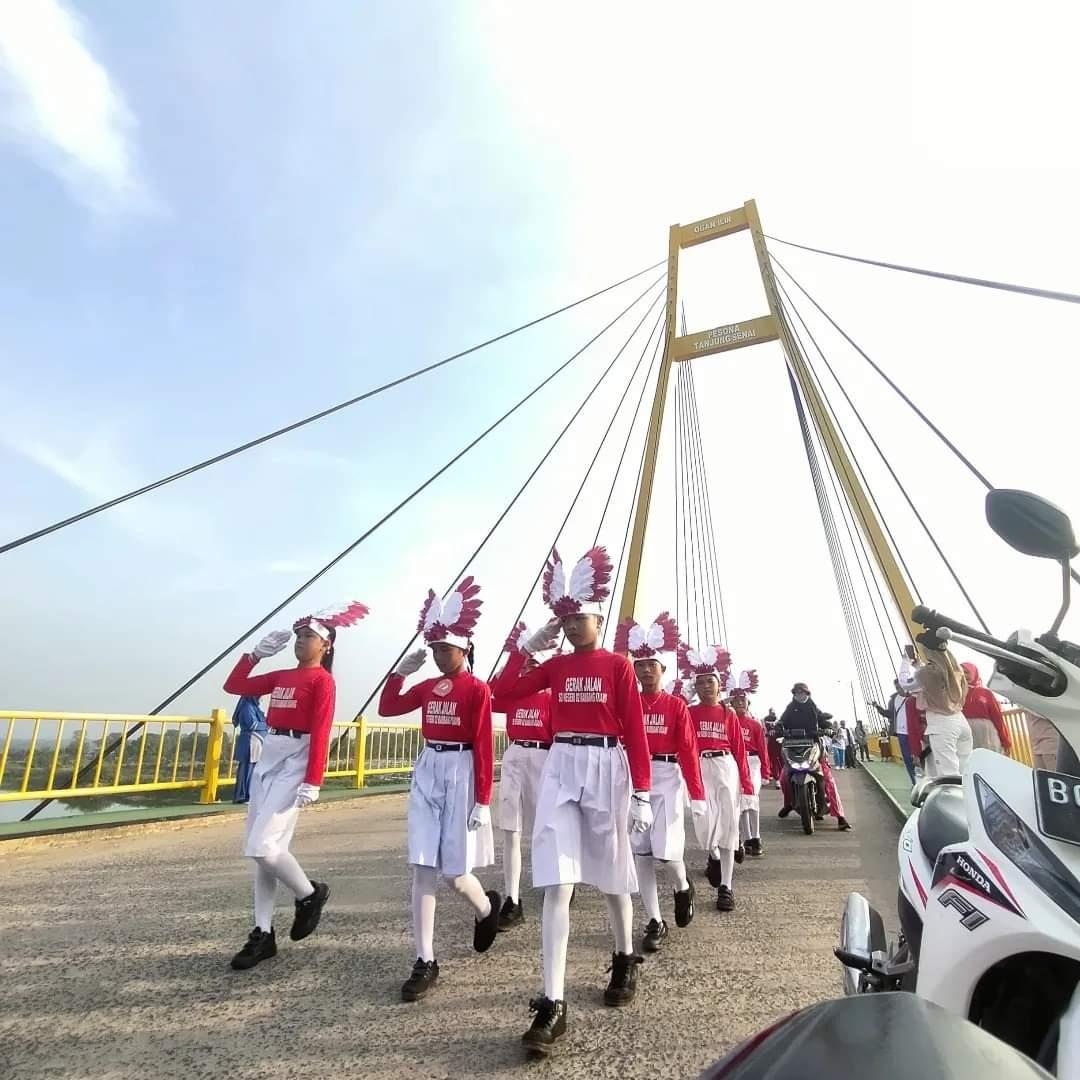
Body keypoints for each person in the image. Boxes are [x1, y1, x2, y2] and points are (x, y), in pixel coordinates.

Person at [491, 546, 651, 1054]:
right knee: (557, 883)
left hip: (607, 766)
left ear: (597, 618)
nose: (573, 625)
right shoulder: (556, 666)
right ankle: (552, 1001)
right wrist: (526, 649)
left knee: (611, 875)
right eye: (565, 619)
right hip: (562, 765)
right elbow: (501, 694)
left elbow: (636, 731)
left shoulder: (618, 666)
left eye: (580, 617)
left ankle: (624, 956)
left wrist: (643, 792)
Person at [223, 601, 368, 971]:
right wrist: (254, 655)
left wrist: (313, 779)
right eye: (299, 636)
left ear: (327, 645)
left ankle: (309, 893)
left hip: (297, 757)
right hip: (270, 754)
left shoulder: (323, 681)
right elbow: (235, 685)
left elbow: (321, 730)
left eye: (310, 637)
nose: (301, 641)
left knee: (261, 846)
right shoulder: (282, 676)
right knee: (263, 854)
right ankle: (262, 932)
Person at [378, 577, 500, 1003]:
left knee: (455, 874)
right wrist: (398, 674)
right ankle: (424, 959)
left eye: (444, 649)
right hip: (430, 764)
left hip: (462, 768)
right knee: (422, 867)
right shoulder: (429, 687)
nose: (437, 656)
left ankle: (487, 910)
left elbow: (484, 745)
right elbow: (387, 707)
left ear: (464, 649)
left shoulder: (477, 689)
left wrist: (483, 799)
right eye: (433, 650)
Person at [615, 612, 706, 952]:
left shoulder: (675, 706)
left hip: (667, 778)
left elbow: (688, 749)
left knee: (667, 854)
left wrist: (696, 793)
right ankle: (654, 920)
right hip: (635, 781)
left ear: (663, 669)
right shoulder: (629, 704)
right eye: (640, 665)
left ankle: (682, 888)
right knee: (641, 854)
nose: (646, 670)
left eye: (652, 664)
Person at [490, 622, 555, 931]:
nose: (529, 669)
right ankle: (512, 900)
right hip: (515, 754)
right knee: (510, 830)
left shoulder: (554, 697)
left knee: (546, 828)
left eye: (534, 664)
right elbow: (492, 691)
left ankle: (557, 882)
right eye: (527, 664)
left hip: (545, 757)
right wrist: (515, 655)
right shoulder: (513, 694)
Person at [680, 643, 753, 912]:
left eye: (711, 682)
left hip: (725, 766)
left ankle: (726, 887)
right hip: (699, 768)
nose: (707, 687)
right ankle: (712, 855)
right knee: (704, 824)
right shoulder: (689, 713)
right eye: (701, 683)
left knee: (729, 826)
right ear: (696, 687)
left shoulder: (728, 713)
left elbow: (740, 750)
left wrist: (747, 785)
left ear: (718, 685)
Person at [778, 683, 852, 830]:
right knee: (784, 778)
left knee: (829, 780)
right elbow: (781, 722)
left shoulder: (813, 707)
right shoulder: (790, 708)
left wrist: (829, 728)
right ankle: (788, 804)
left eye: (802, 692)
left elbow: (824, 721)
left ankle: (840, 816)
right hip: (793, 747)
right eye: (797, 692)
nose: (800, 695)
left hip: (814, 747)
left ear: (807, 693)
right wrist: (777, 729)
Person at [900, 639, 973, 777]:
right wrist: (917, 664)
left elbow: (905, 682)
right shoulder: (956, 669)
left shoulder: (928, 673)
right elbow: (931, 676)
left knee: (948, 774)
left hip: (941, 724)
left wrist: (906, 660)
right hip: (960, 720)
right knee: (966, 771)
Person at [730, 670, 771, 857]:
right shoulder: (728, 722)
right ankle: (747, 839)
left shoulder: (755, 724)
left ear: (748, 703)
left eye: (743, 700)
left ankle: (756, 837)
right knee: (740, 801)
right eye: (736, 700)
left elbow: (763, 749)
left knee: (751, 797)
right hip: (733, 761)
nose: (740, 703)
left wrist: (766, 771)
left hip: (752, 761)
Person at [961, 662, 1012, 755]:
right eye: (960, 672)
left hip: (987, 734)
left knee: (990, 758)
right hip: (965, 733)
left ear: (974, 673)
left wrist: (1005, 740)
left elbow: (997, 717)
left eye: (967, 672)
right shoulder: (954, 694)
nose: (963, 675)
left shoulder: (985, 693)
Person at [873, 679, 917, 784]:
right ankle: (915, 782)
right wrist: (877, 707)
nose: (899, 689)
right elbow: (888, 714)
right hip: (901, 732)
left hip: (914, 731)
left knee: (920, 757)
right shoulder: (893, 700)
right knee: (907, 759)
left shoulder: (914, 696)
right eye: (897, 687)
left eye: (901, 686)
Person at [231, 695, 268, 804]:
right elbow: (252, 724)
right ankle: (243, 796)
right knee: (246, 770)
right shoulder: (247, 706)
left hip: (256, 742)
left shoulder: (253, 706)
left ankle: (250, 794)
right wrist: (267, 724)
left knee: (253, 770)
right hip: (250, 742)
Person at [765, 708, 783, 788]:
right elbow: (764, 732)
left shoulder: (780, 722)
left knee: (781, 760)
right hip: (771, 743)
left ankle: (781, 777)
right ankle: (777, 778)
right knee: (774, 760)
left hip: (779, 743)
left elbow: (783, 732)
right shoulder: (764, 722)